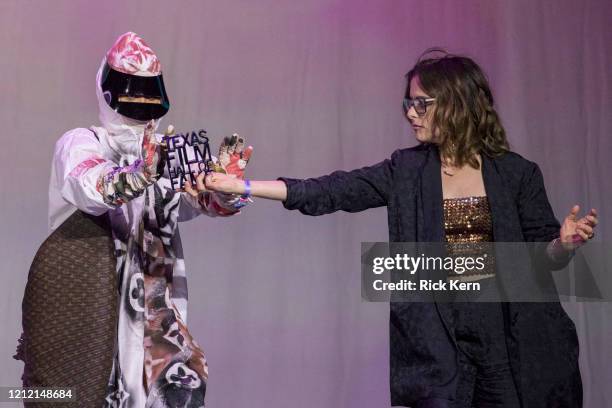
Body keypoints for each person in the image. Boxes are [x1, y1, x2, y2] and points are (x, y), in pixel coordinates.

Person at [197, 50, 598, 407]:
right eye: (408, 103)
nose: (410, 113)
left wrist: (562, 245)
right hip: (442, 351)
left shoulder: (516, 174)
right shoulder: (407, 171)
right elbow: (331, 190)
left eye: (421, 104)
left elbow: (544, 260)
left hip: (510, 348)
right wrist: (244, 186)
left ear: (457, 104)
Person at [14, 32, 252, 408]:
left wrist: (224, 189)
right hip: (89, 316)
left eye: (147, 93)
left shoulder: (166, 153)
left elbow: (197, 199)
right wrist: (138, 174)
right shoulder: (80, 143)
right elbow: (91, 187)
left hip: (155, 328)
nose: (140, 104)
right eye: (132, 93)